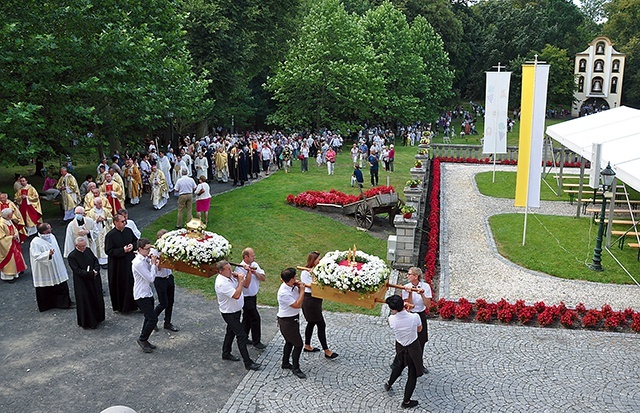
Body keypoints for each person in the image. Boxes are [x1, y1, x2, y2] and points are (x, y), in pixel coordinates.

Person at [214, 260, 261, 371]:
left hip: (235, 310)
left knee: (230, 332)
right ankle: (248, 363)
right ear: (221, 272)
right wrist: (240, 281)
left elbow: (244, 285)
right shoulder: (222, 283)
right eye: (228, 269)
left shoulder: (229, 277)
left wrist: (240, 277)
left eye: (230, 268)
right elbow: (236, 295)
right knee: (241, 336)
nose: (231, 270)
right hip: (229, 313)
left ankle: (226, 352)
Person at [383, 295, 424, 409]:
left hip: (400, 347)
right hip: (413, 348)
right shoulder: (414, 317)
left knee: (399, 365)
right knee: (412, 374)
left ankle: (389, 383)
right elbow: (419, 329)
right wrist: (409, 312)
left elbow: (396, 316)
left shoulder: (392, 319)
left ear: (394, 309)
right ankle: (406, 401)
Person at [300, 251, 338, 359]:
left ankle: (307, 345)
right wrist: (314, 275)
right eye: (318, 259)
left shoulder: (318, 270)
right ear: (313, 260)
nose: (320, 261)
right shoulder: (305, 272)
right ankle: (326, 350)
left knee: (311, 323)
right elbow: (312, 286)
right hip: (310, 301)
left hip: (316, 300)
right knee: (321, 324)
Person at [29, 223, 73, 311]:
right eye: (49, 229)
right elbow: (36, 255)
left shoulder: (52, 237)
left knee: (60, 284)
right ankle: (48, 305)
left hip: (56, 264)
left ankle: (64, 303)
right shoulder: (35, 242)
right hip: (44, 268)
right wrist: (47, 254)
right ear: (44, 232)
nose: (50, 230)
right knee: (46, 287)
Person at [68, 236, 105, 329]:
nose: (84, 248)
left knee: (96, 298)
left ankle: (99, 318)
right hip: (83, 283)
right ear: (76, 246)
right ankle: (89, 322)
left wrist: (96, 270)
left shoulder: (88, 250)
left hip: (93, 279)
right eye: (82, 246)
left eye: (84, 245)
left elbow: (95, 260)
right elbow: (77, 271)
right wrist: (90, 273)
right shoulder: (72, 256)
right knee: (86, 301)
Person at [104, 213, 138, 313]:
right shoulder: (110, 235)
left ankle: (134, 305)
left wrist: (132, 246)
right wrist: (122, 250)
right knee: (121, 285)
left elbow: (136, 241)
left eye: (125, 221)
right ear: (115, 222)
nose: (125, 223)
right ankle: (122, 307)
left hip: (130, 262)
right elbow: (109, 251)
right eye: (122, 221)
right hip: (118, 265)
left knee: (131, 283)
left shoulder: (128, 231)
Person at [277, 267, 306, 379]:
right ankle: (296, 368)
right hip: (287, 321)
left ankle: (285, 363)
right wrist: (302, 290)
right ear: (290, 279)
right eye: (295, 277)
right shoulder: (284, 293)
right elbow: (297, 304)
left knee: (289, 342)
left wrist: (298, 286)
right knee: (298, 344)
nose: (296, 278)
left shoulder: (290, 286)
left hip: (292, 319)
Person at [236, 248, 266, 349]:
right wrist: (248, 272)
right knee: (255, 318)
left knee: (247, 318)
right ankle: (256, 341)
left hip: (253, 297)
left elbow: (263, 278)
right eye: (252, 255)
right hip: (246, 298)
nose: (254, 257)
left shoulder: (255, 264)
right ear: (246, 257)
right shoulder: (239, 269)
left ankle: (243, 337)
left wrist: (255, 272)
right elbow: (246, 285)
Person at [132, 238, 159, 353]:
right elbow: (151, 278)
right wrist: (153, 264)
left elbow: (154, 272)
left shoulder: (144, 259)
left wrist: (153, 263)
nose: (149, 251)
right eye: (147, 249)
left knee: (148, 318)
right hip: (141, 294)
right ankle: (142, 339)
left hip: (147, 292)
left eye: (150, 248)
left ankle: (144, 339)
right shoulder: (138, 262)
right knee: (153, 319)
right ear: (140, 249)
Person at [152, 229, 179, 332]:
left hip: (169, 277)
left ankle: (167, 322)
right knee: (163, 303)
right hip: (160, 279)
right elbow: (157, 268)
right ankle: (152, 320)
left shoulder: (170, 249)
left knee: (170, 302)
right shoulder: (154, 252)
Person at [402, 267, 432, 357]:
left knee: (421, 339)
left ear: (415, 276)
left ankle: (419, 361)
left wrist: (422, 294)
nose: (407, 276)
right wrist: (410, 292)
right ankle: (400, 361)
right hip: (410, 315)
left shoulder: (425, 286)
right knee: (407, 339)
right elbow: (409, 307)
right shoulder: (406, 287)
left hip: (420, 315)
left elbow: (428, 305)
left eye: (409, 274)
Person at [0, 208, 27, 282]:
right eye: (11, 215)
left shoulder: (8, 220)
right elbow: (1, 238)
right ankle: (8, 276)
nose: (12, 216)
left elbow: (14, 229)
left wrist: (15, 234)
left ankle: (17, 271)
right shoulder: (1, 224)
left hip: (13, 242)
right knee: (10, 259)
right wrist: (11, 237)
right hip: (7, 244)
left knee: (17, 256)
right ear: (8, 215)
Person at [86, 197, 113, 267]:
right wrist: (96, 221)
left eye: (101, 203)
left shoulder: (105, 210)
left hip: (105, 230)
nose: (101, 205)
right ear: (95, 204)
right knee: (98, 246)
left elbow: (111, 218)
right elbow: (88, 223)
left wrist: (105, 219)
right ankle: (101, 261)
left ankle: (107, 260)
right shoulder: (91, 212)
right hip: (97, 232)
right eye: (99, 203)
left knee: (106, 244)